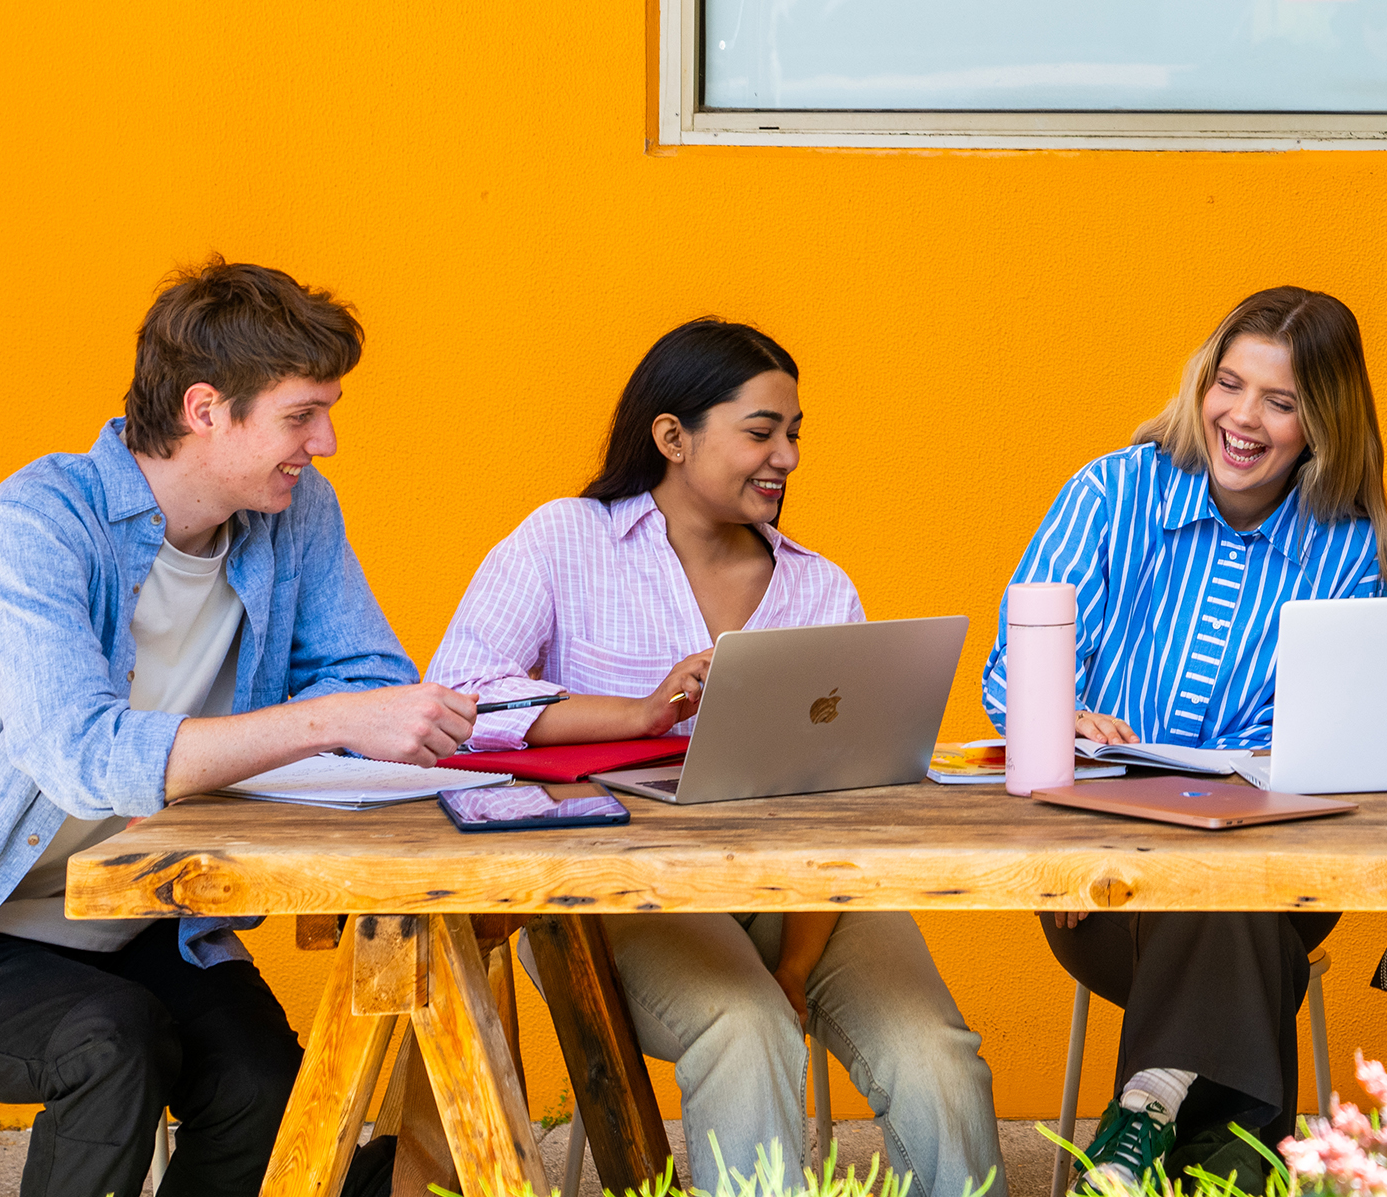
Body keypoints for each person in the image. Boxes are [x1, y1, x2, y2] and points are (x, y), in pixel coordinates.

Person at [0, 260, 478, 1197]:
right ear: (207, 408)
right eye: (301, 416)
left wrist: (347, 715)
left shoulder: (293, 518)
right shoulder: (39, 522)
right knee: (112, 1046)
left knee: (265, 1091)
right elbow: (85, 756)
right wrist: (327, 722)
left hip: (143, 920)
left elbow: (369, 677)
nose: (325, 443)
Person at [426, 318, 1000, 1197]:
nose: (787, 457)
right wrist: (642, 711)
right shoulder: (565, 541)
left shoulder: (821, 586)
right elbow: (460, 704)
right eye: (762, 432)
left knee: (936, 1054)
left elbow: (843, 790)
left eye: (796, 434)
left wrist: (799, 963)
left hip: (804, 893)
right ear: (673, 437)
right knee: (746, 1026)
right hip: (625, 896)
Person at [985, 286, 1387, 1190]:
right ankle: (1212, 1156)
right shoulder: (1111, 492)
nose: (1242, 418)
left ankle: (1144, 1113)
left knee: (1240, 877)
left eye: (1280, 402)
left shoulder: (1354, 547)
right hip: (1101, 882)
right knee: (1242, 916)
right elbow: (1007, 682)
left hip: (1274, 868)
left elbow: (1326, 740)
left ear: (1323, 422)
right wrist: (1066, 747)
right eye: (1229, 384)